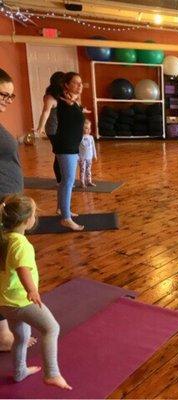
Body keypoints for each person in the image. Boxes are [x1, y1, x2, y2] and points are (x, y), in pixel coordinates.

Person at [0, 194, 72, 390]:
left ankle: (19, 371)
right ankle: (52, 373)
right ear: (26, 221)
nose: (35, 217)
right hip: (21, 302)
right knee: (51, 328)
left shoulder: (4, 238)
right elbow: (23, 269)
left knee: (21, 337)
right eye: (34, 214)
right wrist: (32, 291)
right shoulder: (20, 243)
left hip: (5, 303)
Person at [0, 68, 37, 352]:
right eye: (3, 94)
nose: (7, 100)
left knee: (7, 263)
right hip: (2, 204)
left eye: (10, 96)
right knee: (6, 265)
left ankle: (4, 331)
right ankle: (4, 334)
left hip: (8, 202)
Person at [54, 72, 85, 231]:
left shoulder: (72, 101)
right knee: (68, 181)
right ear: (66, 85)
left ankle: (62, 209)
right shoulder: (64, 100)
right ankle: (66, 218)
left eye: (81, 83)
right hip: (66, 146)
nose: (80, 86)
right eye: (75, 83)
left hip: (71, 144)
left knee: (65, 181)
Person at [34, 71, 65, 184]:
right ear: (58, 83)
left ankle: (63, 180)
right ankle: (60, 181)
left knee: (62, 154)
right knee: (59, 155)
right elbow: (45, 112)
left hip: (62, 129)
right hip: (54, 130)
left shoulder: (62, 95)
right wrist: (40, 127)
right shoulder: (49, 97)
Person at [79, 119, 97, 188]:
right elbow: (77, 148)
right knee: (82, 170)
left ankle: (89, 181)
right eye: (87, 128)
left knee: (88, 170)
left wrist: (94, 155)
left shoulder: (91, 137)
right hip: (82, 157)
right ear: (82, 129)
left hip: (89, 157)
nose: (89, 130)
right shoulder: (80, 137)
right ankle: (82, 182)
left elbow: (93, 147)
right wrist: (77, 156)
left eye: (90, 128)